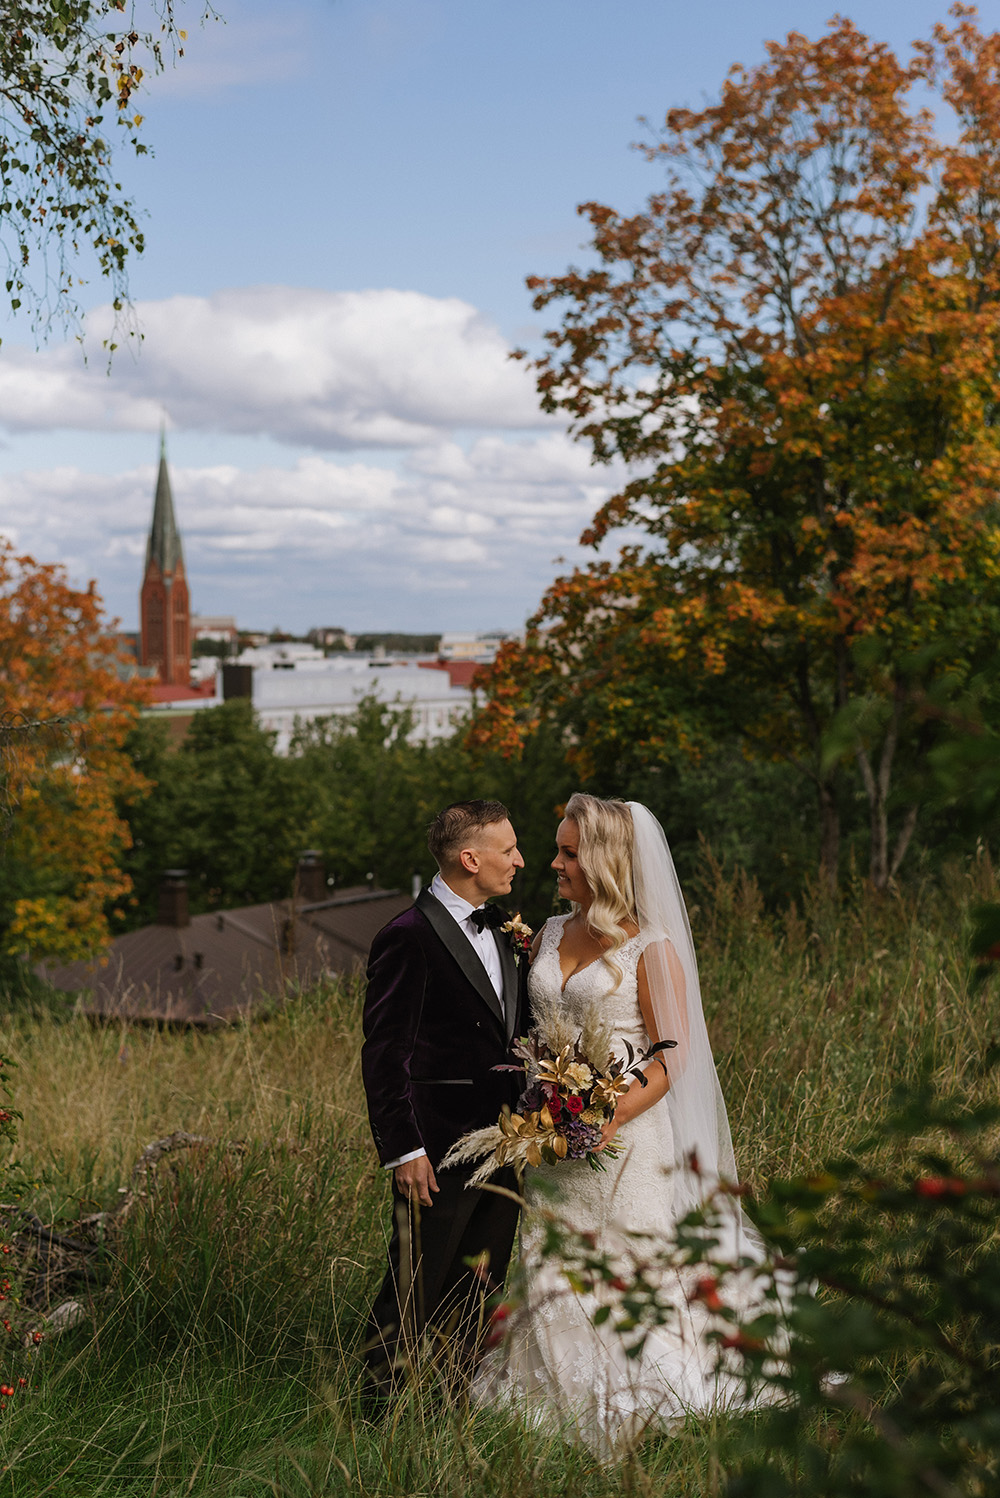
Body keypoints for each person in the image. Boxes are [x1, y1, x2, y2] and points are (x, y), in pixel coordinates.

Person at [475, 792, 774, 1457]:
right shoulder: (549, 933)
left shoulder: (652, 946)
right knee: (550, 1263)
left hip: (627, 1140)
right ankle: (548, 1384)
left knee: (626, 1263)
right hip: (551, 1138)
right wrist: (546, 1109)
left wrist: (603, 1117)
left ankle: (646, 1390)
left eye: (568, 852)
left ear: (605, 860)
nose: (553, 862)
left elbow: (674, 1054)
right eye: (556, 848)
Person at [361, 799, 529, 1399]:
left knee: (480, 1282)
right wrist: (404, 1149)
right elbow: (385, 1056)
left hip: (508, 1143)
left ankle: (453, 1399)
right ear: (469, 858)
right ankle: (377, 1408)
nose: (519, 860)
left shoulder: (507, 929)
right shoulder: (406, 937)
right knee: (416, 1282)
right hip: (438, 1149)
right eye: (508, 850)